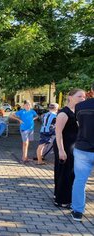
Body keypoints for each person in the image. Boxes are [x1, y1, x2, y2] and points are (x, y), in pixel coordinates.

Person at [53, 89, 86, 209]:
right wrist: (61, 150)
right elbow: (58, 133)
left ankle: (59, 195)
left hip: (73, 146)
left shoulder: (77, 111)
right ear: (70, 97)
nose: (83, 99)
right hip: (64, 146)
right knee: (65, 173)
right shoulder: (64, 113)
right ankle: (62, 200)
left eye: (84, 97)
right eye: (79, 96)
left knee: (68, 173)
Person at [71, 85, 94, 221]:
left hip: (82, 148)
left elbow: (79, 124)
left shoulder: (80, 107)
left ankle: (78, 212)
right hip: (83, 148)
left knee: (80, 181)